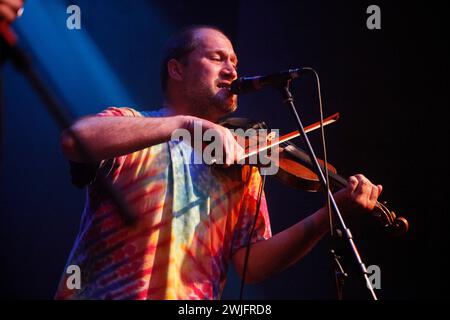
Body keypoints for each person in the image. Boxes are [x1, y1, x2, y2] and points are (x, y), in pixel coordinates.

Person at [55, 25, 383, 300]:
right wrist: (183, 125)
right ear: (177, 69)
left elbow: (252, 264)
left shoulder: (240, 163)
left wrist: (328, 215)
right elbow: (75, 139)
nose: (232, 70)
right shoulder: (131, 125)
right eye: (217, 58)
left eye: (235, 62)